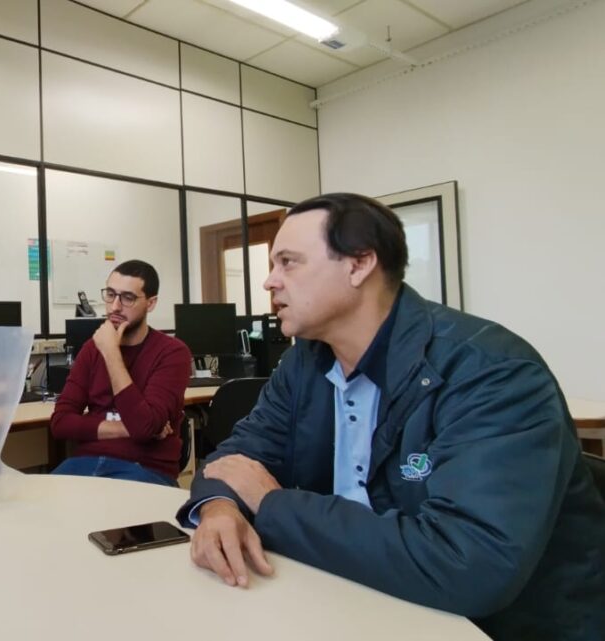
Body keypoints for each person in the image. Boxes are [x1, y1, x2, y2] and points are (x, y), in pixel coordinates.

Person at [177, 193, 605, 640]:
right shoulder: (307, 360)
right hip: (355, 597)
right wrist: (221, 507)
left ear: (359, 264)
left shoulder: (492, 372)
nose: (270, 282)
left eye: (289, 262)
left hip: (494, 626)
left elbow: (469, 566)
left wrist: (271, 503)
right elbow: (236, 459)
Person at [50, 259, 192, 486]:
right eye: (110, 294)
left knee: (100, 517)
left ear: (151, 303)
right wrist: (129, 428)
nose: (115, 306)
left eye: (128, 298)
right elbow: (60, 423)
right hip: (86, 464)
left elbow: (144, 428)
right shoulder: (91, 348)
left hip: (145, 469)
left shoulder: (172, 353)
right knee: (35, 511)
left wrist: (111, 353)